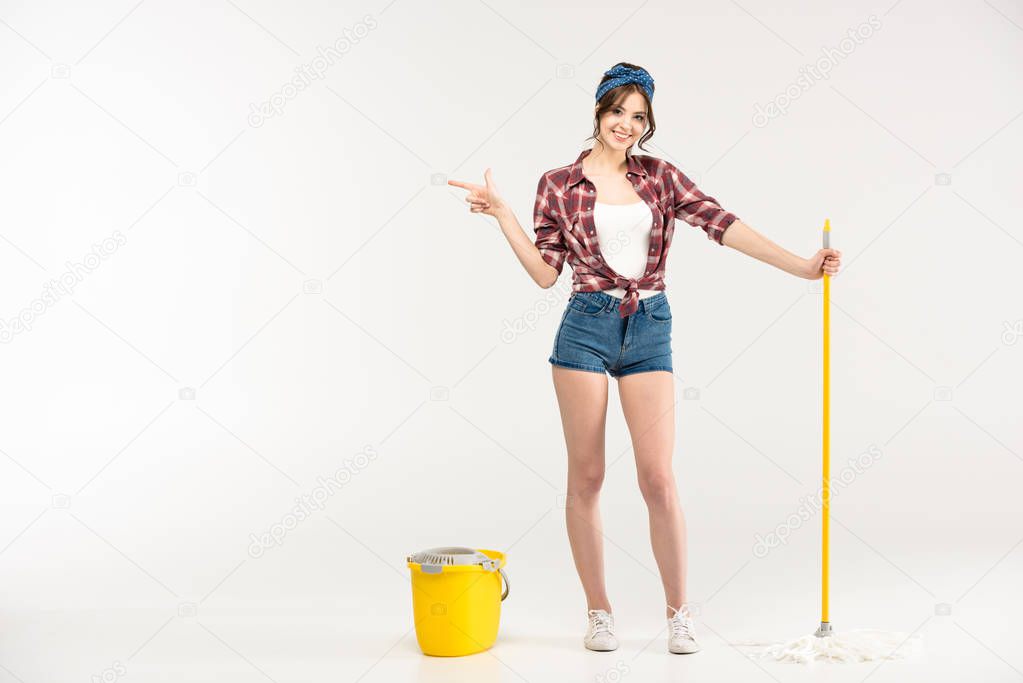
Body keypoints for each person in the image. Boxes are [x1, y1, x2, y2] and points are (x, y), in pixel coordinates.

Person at [449, 62, 841, 655]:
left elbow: (722, 223)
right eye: (619, 113)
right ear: (599, 111)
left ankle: (680, 614)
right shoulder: (559, 184)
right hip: (585, 325)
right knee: (587, 476)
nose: (628, 126)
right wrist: (504, 216)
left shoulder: (659, 176)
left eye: (640, 117)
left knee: (657, 478)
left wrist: (802, 267)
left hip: (651, 326)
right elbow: (543, 274)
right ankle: (599, 611)